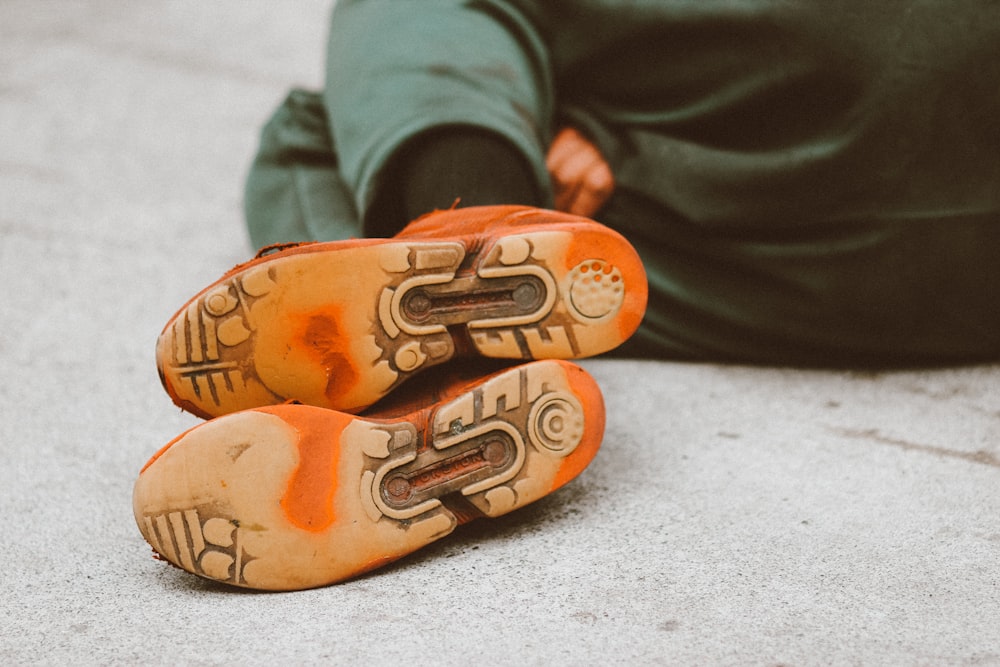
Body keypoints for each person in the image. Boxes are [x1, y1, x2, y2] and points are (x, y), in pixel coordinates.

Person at [245, 0, 1000, 367]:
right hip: (914, 277)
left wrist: (619, 143)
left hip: (697, 232)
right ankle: (480, 256)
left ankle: (471, 233)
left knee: (327, 139)